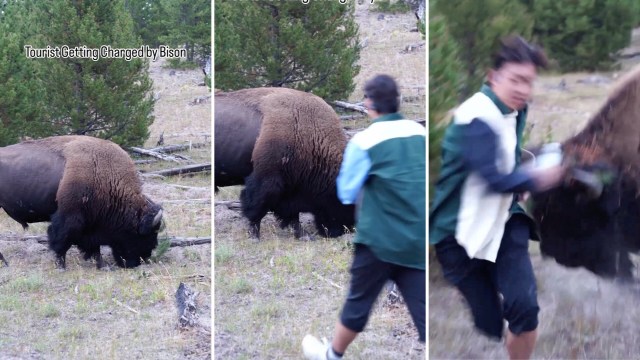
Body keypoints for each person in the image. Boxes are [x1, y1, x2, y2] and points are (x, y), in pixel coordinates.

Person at [429, 35, 566, 360]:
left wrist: (522, 180)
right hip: (456, 235)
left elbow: (505, 165)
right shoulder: (475, 117)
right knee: (490, 323)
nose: (523, 89)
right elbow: (492, 177)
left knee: (524, 309)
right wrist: (536, 176)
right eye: (516, 80)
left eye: (528, 82)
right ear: (493, 77)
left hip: (505, 222)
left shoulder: (515, 109)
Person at [302, 74, 426, 359]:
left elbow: (346, 191)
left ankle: (332, 355)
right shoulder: (419, 133)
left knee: (357, 305)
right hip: (417, 238)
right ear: (398, 101)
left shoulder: (364, 141)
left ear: (369, 104)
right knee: (423, 312)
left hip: (378, 240)